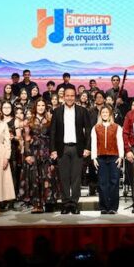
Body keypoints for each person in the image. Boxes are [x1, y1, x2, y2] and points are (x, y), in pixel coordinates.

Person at [50, 85, 91, 214]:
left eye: (72, 96)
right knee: (64, 178)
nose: (69, 98)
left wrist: (87, 148)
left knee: (76, 178)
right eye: (67, 95)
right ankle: (66, 203)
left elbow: (88, 131)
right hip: (62, 148)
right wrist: (53, 150)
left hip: (77, 148)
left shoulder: (82, 111)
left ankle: (74, 204)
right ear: (63, 97)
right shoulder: (57, 111)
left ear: (75, 97)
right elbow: (53, 132)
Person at [91, 105, 124, 214]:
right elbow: (94, 143)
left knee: (114, 182)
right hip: (101, 158)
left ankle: (113, 207)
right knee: (102, 183)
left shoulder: (117, 127)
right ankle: (104, 207)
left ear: (110, 114)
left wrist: (121, 156)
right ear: (100, 114)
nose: (105, 114)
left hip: (114, 157)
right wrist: (94, 157)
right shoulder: (96, 127)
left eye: (106, 112)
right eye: (103, 112)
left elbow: (120, 142)